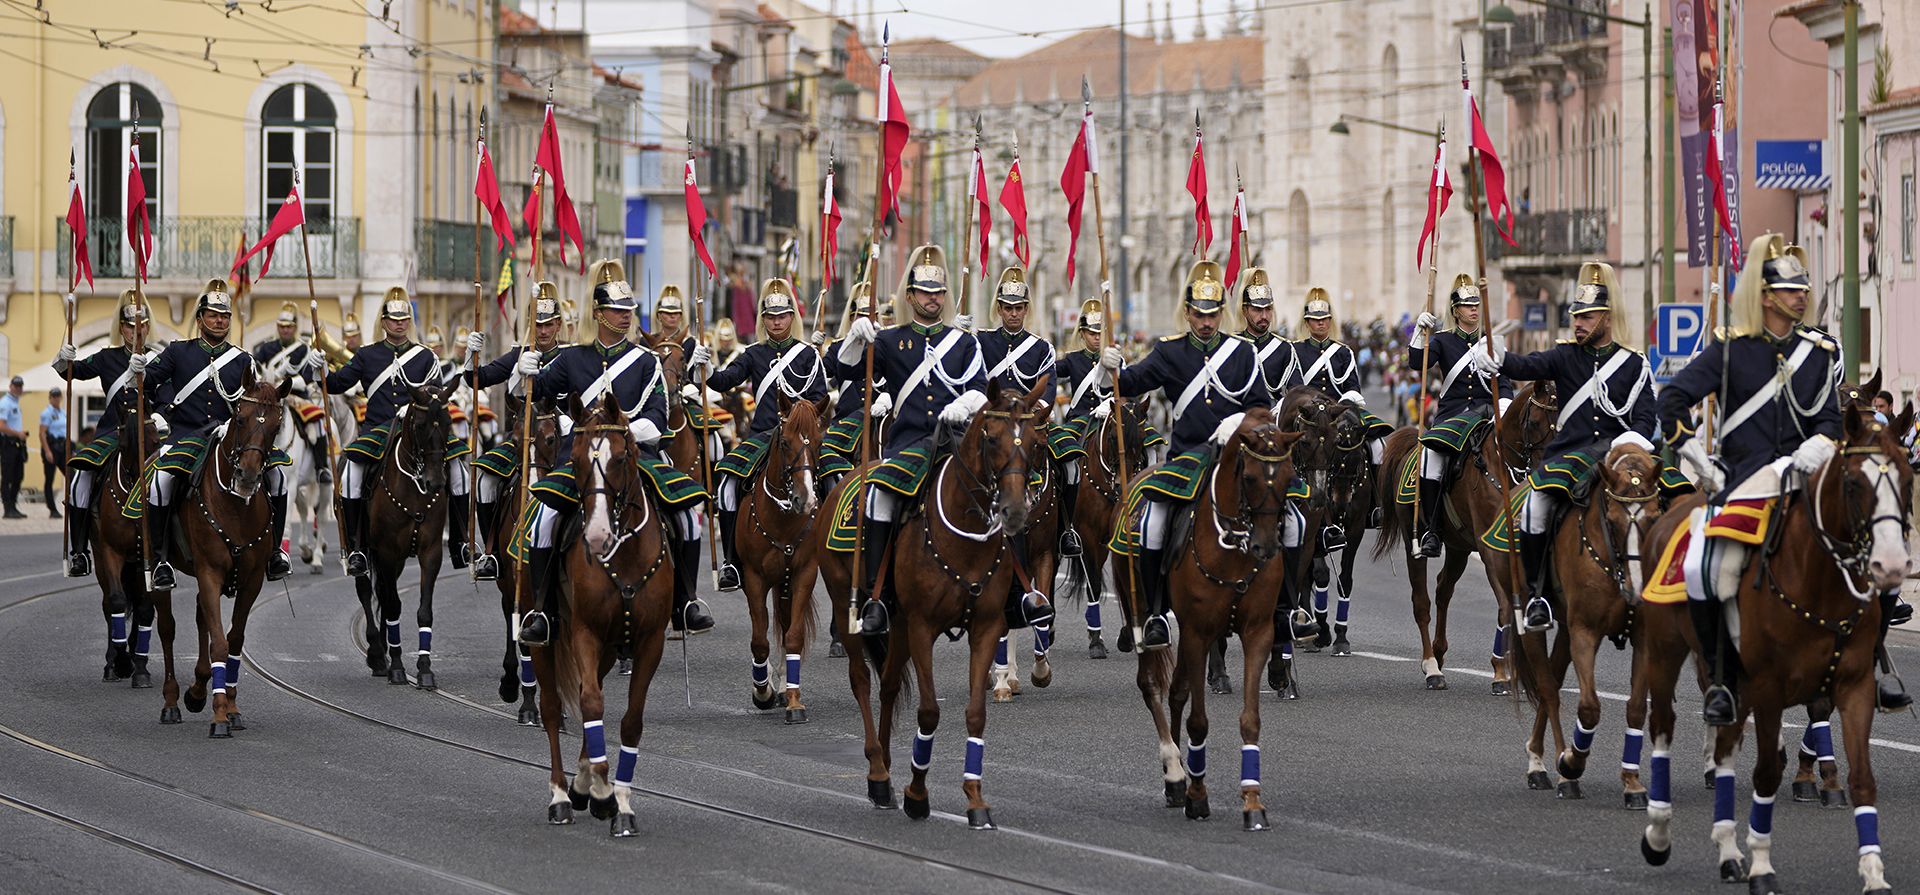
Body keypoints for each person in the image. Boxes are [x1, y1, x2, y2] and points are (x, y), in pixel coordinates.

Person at [1655, 235, 1902, 720]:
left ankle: (1872, 665)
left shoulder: (1820, 353)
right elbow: (1672, 400)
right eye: (1790, 289)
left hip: (1807, 482)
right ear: (1766, 296)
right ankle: (1722, 681)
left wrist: (1814, 449)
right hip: (1744, 483)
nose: (1802, 295)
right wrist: (1696, 458)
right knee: (1702, 567)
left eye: (1803, 288)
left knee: (1882, 560)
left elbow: (1832, 420)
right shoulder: (1730, 351)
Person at [834, 244, 1026, 636]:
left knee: (1009, 491)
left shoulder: (963, 342)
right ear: (910, 296)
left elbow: (979, 389)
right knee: (879, 497)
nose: (932, 299)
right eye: (924, 292)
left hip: (955, 444)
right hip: (907, 444)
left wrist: (968, 402)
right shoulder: (890, 340)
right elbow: (844, 372)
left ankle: (1018, 594)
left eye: (938, 292)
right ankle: (878, 597)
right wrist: (855, 340)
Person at [515, 259, 709, 644]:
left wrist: (620, 436)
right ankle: (543, 611)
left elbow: (658, 419)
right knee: (543, 521)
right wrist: (523, 375)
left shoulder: (647, 362)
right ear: (598, 313)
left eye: (629, 311)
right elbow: (536, 403)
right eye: (617, 311)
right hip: (582, 460)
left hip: (634, 459)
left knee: (687, 514)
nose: (625, 318)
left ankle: (685, 602)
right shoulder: (571, 359)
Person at [1469, 261, 1656, 635]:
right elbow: (1526, 364)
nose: (1579, 323)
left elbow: (1646, 419)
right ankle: (1537, 595)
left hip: (1621, 459)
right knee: (1536, 504)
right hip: (1570, 457)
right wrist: (1499, 358)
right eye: (1576, 316)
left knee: (1672, 501)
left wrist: (1630, 443)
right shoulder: (1565, 356)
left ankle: (1668, 589)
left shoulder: (1635, 364)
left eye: (1588, 317)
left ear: (1607, 318)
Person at [1101, 260, 1272, 650]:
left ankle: (1287, 608)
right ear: (1188, 312)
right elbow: (1130, 383)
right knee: (1151, 523)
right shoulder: (1169, 351)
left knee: (1286, 511)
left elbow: (1262, 406)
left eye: (1213, 315)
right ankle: (1157, 613)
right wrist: (1109, 364)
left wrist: (1241, 424)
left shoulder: (1242, 353)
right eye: (1199, 314)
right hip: (1187, 459)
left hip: (1237, 456)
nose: (1206, 323)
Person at [136, 279, 293, 587]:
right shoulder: (178, 352)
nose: (220, 321)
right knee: (159, 482)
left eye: (224, 316)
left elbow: (257, 401)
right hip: (184, 436)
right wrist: (141, 373)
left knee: (278, 477)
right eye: (213, 315)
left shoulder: (242, 359)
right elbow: (148, 384)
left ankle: (274, 552)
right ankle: (160, 560)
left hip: (228, 438)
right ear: (200, 319)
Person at [325, 288, 473, 578]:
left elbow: (438, 395)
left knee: (460, 471)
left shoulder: (426, 357)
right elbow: (337, 384)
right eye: (394, 319)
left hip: (418, 428)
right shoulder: (367, 355)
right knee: (351, 473)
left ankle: (461, 542)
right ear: (384, 322)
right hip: (378, 429)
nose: (400, 324)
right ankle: (356, 548)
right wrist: (318, 369)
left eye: (404, 318)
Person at [697, 277, 829, 591]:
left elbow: (819, 396)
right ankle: (731, 562)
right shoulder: (753, 354)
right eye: (770, 316)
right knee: (727, 485)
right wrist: (704, 367)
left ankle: (835, 550)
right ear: (763, 320)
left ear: (792, 318)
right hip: (761, 436)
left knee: (835, 479)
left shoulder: (807, 355)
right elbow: (725, 380)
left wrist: (799, 419)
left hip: (799, 439)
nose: (776, 321)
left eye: (782, 315)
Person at [462, 284, 567, 581]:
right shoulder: (517, 356)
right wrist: (472, 354)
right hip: (520, 440)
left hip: (560, 440)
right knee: (485, 480)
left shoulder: (572, 356)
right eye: (537, 325)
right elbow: (476, 380)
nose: (543, 331)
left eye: (548, 324)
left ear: (558, 324)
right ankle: (491, 553)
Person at [1405, 275, 1512, 558]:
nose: (1474, 310)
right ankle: (1432, 529)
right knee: (1430, 458)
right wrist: (1420, 331)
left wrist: (1503, 402)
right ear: (1456, 311)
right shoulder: (1442, 341)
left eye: (1476, 304)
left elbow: (1505, 381)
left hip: (1485, 415)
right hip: (1452, 418)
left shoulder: (1491, 342)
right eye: (1467, 305)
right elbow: (1417, 363)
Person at [53, 296, 159, 576]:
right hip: (112, 433)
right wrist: (63, 356)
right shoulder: (106, 357)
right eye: (130, 326)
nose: (136, 331)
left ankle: (167, 554)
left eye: (142, 325)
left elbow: (170, 398)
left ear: (148, 328)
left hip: (150, 437)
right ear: (121, 328)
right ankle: (79, 552)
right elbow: (70, 373)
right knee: (80, 477)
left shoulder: (160, 359)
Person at [977, 265, 1072, 554]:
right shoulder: (981, 341)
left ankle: (1066, 530)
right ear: (1000, 308)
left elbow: (1050, 386)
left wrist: (1038, 412)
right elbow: (975, 381)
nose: (1013, 313)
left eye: (1019, 307)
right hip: (993, 423)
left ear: (1026, 309)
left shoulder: (1041, 348)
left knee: (1070, 464)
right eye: (1008, 307)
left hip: (1030, 423)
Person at [818, 282, 890, 490]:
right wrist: (814, 352)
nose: (867, 321)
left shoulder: (887, 346)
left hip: (881, 417)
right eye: (861, 316)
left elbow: (900, 378)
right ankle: (832, 497)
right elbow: (820, 375)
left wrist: (887, 397)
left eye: (872, 315)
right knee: (822, 454)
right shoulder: (839, 347)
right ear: (851, 318)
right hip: (847, 420)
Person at [251, 302, 331, 483]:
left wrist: (284, 383)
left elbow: (307, 378)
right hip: (270, 397)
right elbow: (255, 367)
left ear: (294, 328)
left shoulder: (303, 349)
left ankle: (321, 467)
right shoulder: (266, 348)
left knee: (317, 420)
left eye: (288, 327)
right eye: (281, 326)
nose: (284, 330)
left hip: (296, 396)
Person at [0, 374, 26, 519]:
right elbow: (1, 426)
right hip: (8, 444)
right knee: (7, 477)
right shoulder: (5, 403)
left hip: (16, 444)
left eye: (20, 386)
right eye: (16, 386)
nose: (18, 388)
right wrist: (18, 433)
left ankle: (13, 506)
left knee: (18, 476)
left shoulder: (15, 402)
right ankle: (7, 508)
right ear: (10, 387)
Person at [40, 387, 67, 519]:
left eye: (58, 396)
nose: (56, 399)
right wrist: (47, 451)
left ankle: (71, 503)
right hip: (51, 447)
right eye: (54, 396)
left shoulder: (63, 412)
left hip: (62, 448)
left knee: (71, 476)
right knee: (49, 479)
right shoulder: (46, 413)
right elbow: (42, 434)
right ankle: (52, 509)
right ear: (50, 398)